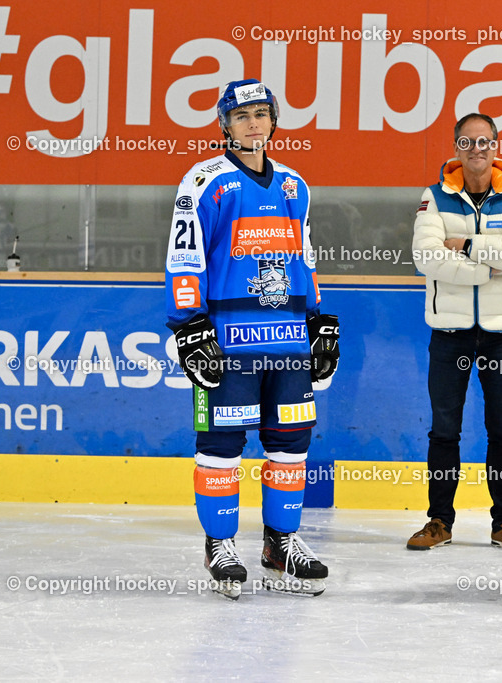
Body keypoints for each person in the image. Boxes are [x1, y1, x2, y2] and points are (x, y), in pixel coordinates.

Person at [164, 79, 340, 599]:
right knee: (221, 446)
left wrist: (316, 321)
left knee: (291, 444)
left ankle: (280, 541)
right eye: (242, 116)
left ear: (273, 121)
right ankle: (220, 544)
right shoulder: (205, 181)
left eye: (262, 114)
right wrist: (190, 326)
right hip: (227, 339)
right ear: (224, 124)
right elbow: (185, 256)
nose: (253, 123)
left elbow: (303, 258)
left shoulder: (293, 184)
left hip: (286, 339)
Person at [409, 113, 502, 552]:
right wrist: (488, 271)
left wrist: (467, 246)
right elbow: (426, 257)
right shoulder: (434, 198)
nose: (476, 150)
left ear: (496, 145)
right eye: (467, 143)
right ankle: (438, 521)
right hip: (450, 334)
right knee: (444, 431)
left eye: (484, 141)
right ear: (456, 148)